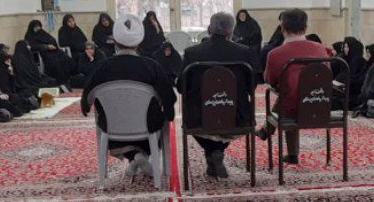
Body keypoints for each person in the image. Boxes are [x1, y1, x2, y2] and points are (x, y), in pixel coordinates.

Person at [81, 14, 176, 178]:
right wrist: (169, 113)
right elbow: (169, 98)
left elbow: (86, 101)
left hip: (112, 129)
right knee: (159, 120)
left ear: (115, 41)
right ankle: (141, 155)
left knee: (106, 119)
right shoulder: (152, 66)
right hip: (148, 127)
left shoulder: (102, 67)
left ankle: (134, 157)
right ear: (139, 42)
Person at [180, 12, 257, 178]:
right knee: (226, 118)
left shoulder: (192, 53)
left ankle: (212, 151)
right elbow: (252, 87)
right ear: (231, 31)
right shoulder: (244, 52)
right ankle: (217, 151)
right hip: (237, 116)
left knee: (199, 119)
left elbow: (181, 87)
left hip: (199, 117)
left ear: (209, 29)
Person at [256, 9, 333, 164]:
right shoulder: (320, 49)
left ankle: (270, 134)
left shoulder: (275, 53)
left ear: (283, 29)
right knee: (295, 92)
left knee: (289, 95)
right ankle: (290, 152)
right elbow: (326, 74)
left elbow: (269, 80)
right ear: (305, 28)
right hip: (320, 103)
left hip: (291, 109)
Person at [25, 20, 73, 91]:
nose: (38, 28)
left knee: (66, 59)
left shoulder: (42, 33)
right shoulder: (29, 36)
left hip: (54, 50)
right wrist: (46, 46)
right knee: (56, 62)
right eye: (36, 27)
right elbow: (32, 47)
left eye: (39, 26)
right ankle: (59, 81)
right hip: (44, 53)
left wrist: (52, 45)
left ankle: (67, 80)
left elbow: (52, 40)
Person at [0, 44, 35, 112]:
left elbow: (15, 84)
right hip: (3, 95)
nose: (9, 64)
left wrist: (11, 74)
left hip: (12, 92)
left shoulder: (7, 67)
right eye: (5, 51)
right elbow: (2, 87)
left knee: (27, 93)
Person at [339, 37, 367, 110]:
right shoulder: (345, 60)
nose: (345, 49)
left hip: (355, 95)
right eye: (344, 47)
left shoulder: (359, 61)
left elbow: (358, 80)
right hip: (344, 92)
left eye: (347, 47)